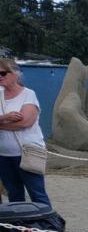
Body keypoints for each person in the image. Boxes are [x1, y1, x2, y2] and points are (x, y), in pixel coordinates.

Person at [0, 58, 51, 205]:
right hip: (3, 155)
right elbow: (17, 122)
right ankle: (19, 227)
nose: (0, 77)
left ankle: (46, 227)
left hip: (27, 152)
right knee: (14, 195)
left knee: (37, 194)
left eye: (3, 73)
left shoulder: (28, 94)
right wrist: (7, 117)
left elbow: (25, 122)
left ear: (15, 74)